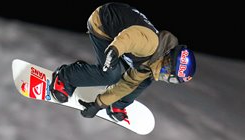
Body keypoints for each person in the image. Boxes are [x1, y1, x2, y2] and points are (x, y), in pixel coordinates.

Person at [50, 2, 196, 122]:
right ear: (168, 63)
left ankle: (116, 105)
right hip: (103, 23)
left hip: (118, 40)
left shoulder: (152, 66)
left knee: (142, 81)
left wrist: (98, 104)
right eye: (169, 76)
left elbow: (128, 84)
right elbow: (131, 37)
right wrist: (115, 50)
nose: (165, 79)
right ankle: (64, 78)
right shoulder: (152, 44)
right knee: (110, 75)